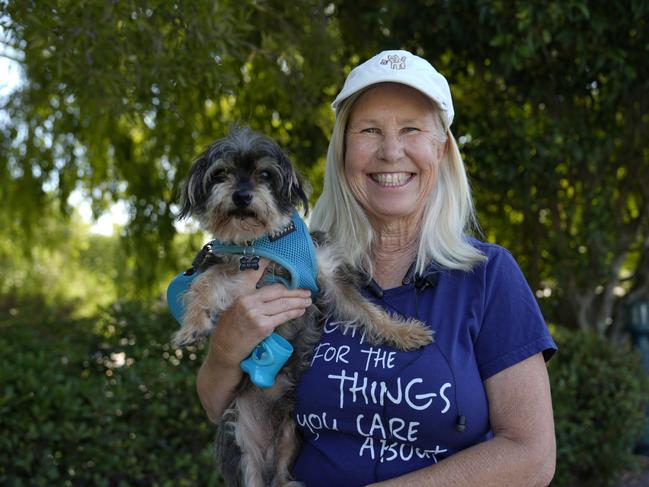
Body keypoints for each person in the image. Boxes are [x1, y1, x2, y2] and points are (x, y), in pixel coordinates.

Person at [196, 50, 557, 486]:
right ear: (344, 149)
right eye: (370, 130)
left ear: (441, 149)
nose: (390, 151)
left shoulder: (489, 275)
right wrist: (223, 350)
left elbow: (532, 456)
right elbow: (219, 408)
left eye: (411, 129)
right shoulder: (301, 265)